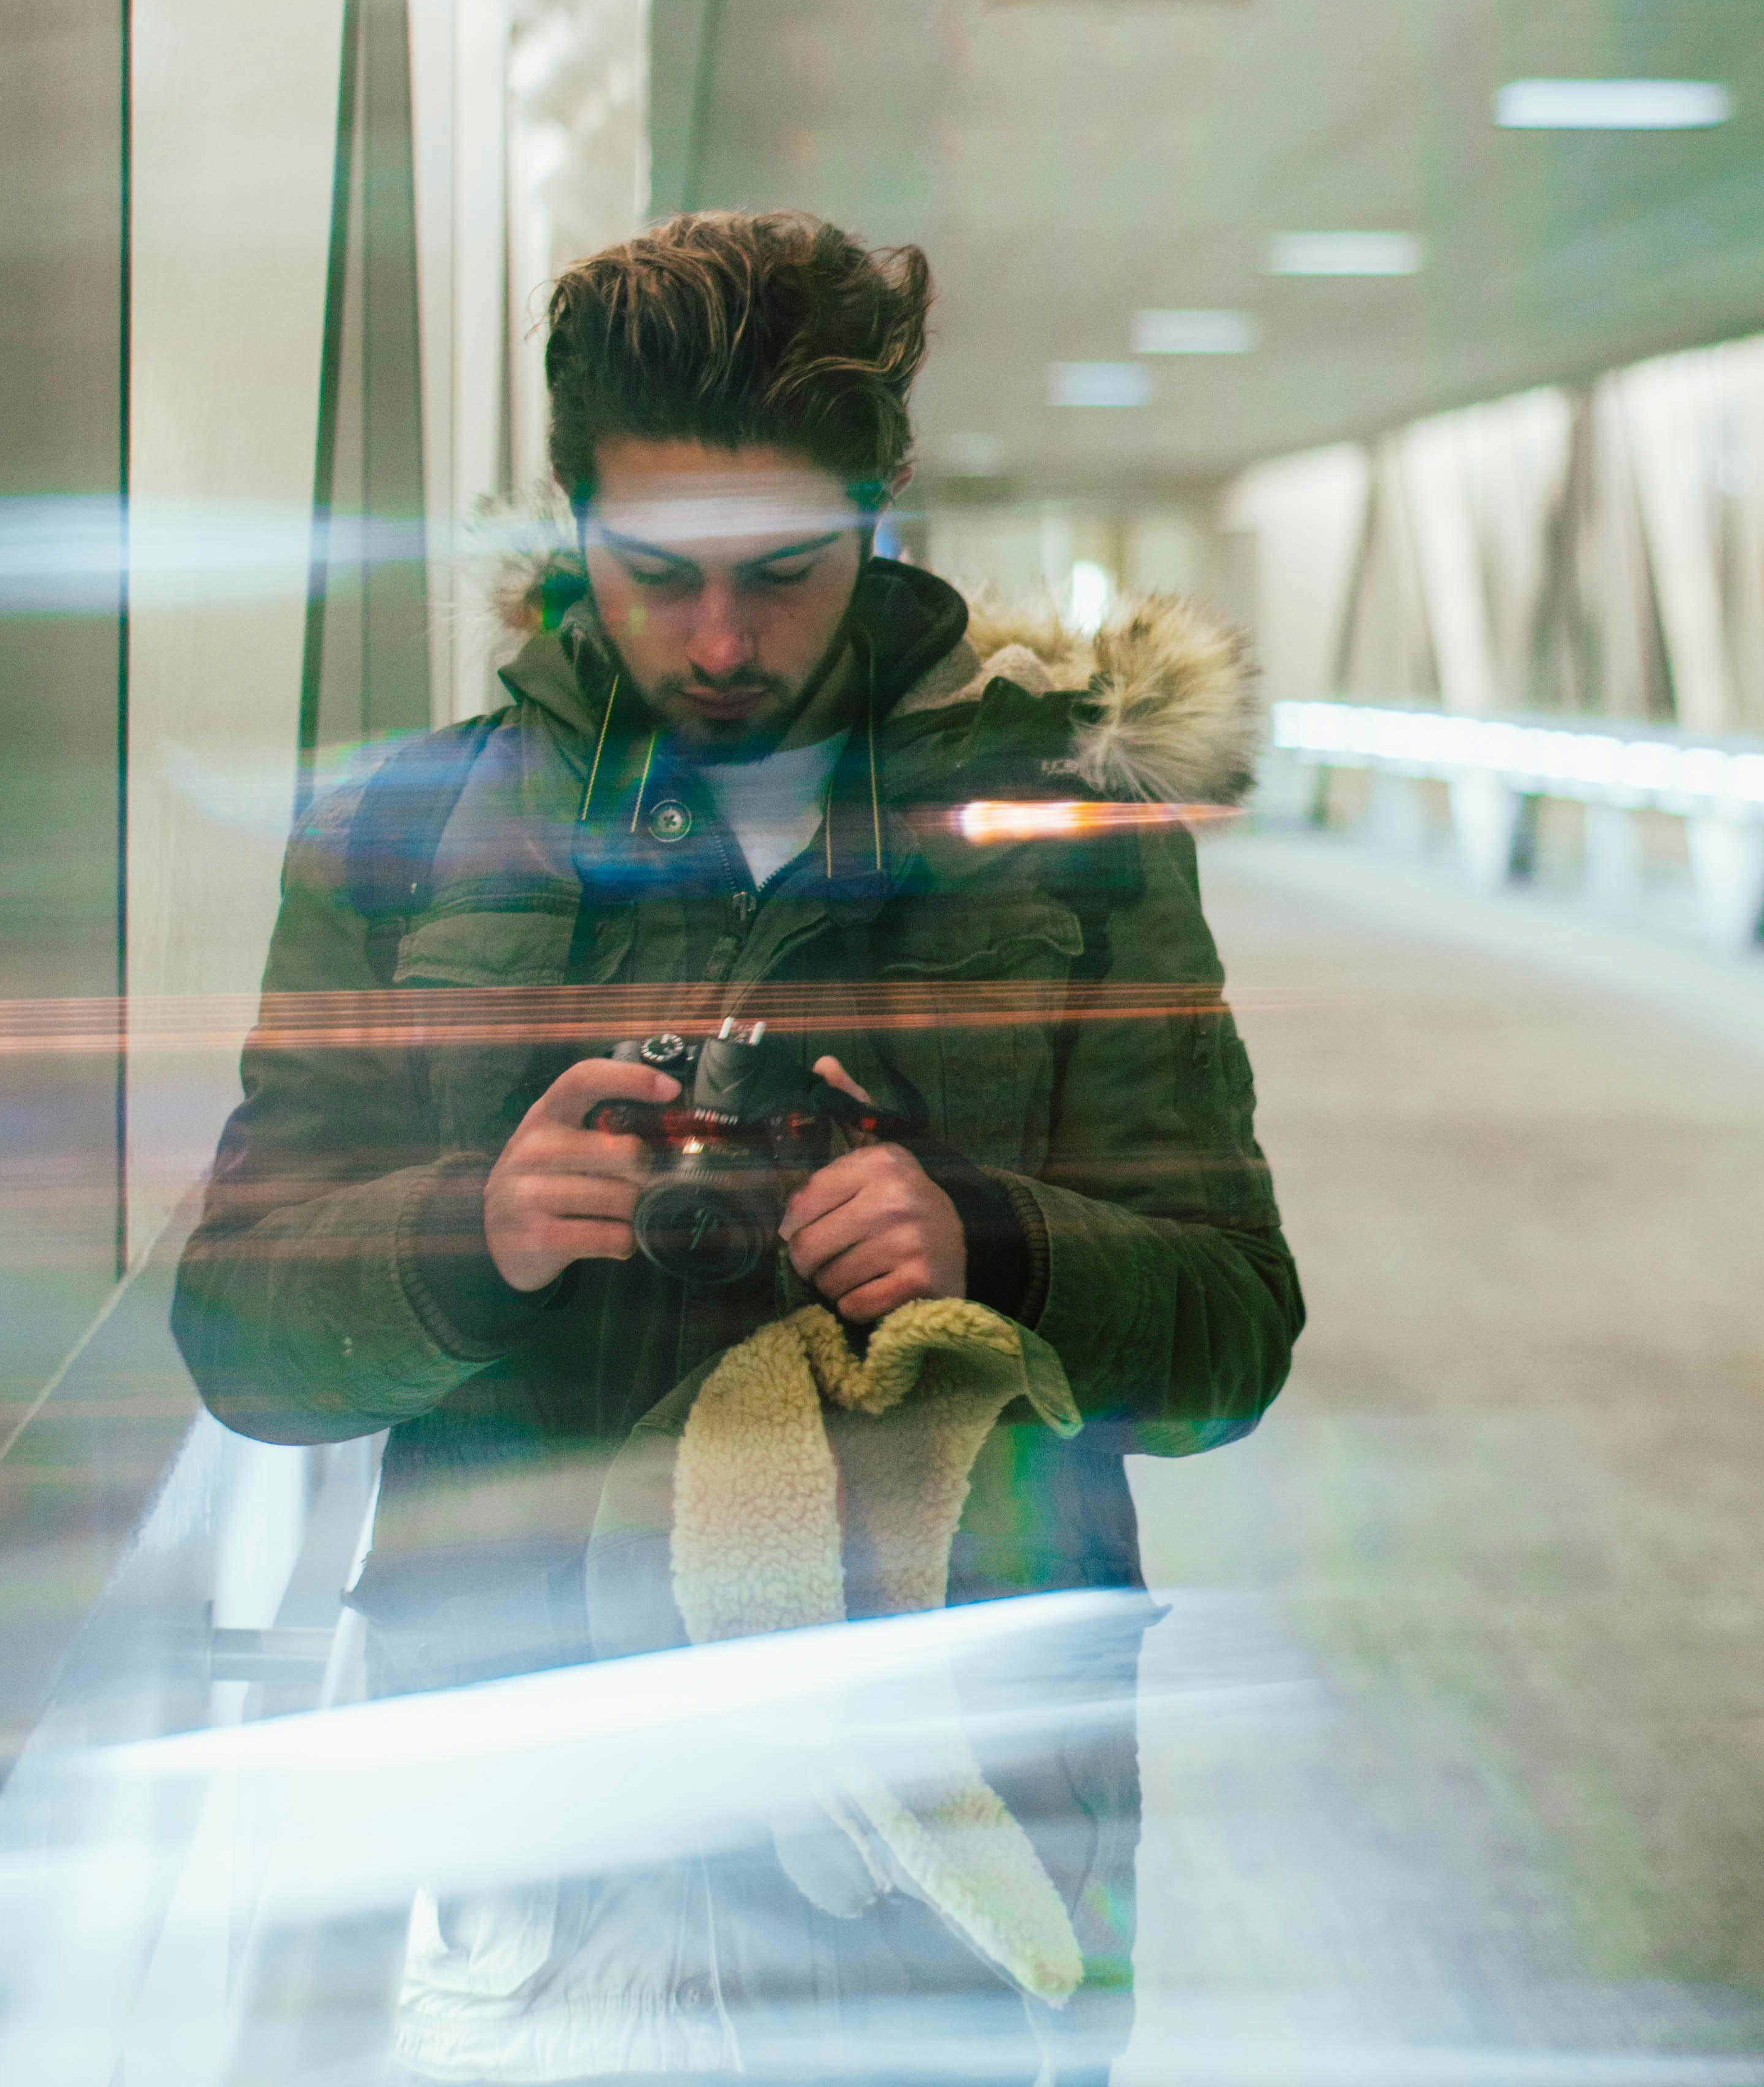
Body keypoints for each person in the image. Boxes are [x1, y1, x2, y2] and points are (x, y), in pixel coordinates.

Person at [173, 210, 1302, 2087]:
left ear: (876, 518)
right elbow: (241, 1342)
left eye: (783, 574)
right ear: (575, 527)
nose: (717, 640)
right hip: (537, 1826)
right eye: (656, 574)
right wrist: (477, 1235)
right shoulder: (404, 831)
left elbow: (1230, 1342)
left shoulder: (1071, 840)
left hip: (945, 1814)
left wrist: (993, 1251)